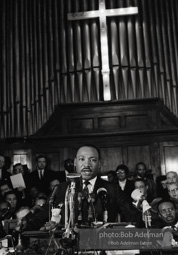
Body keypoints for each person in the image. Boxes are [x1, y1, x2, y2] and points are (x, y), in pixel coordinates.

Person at [23, 144, 142, 231]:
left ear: (99, 164)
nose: (86, 164)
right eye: (82, 159)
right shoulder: (61, 189)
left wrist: (154, 224)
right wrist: (23, 228)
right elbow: (42, 215)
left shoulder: (112, 189)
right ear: (75, 163)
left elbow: (132, 214)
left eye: (92, 160)